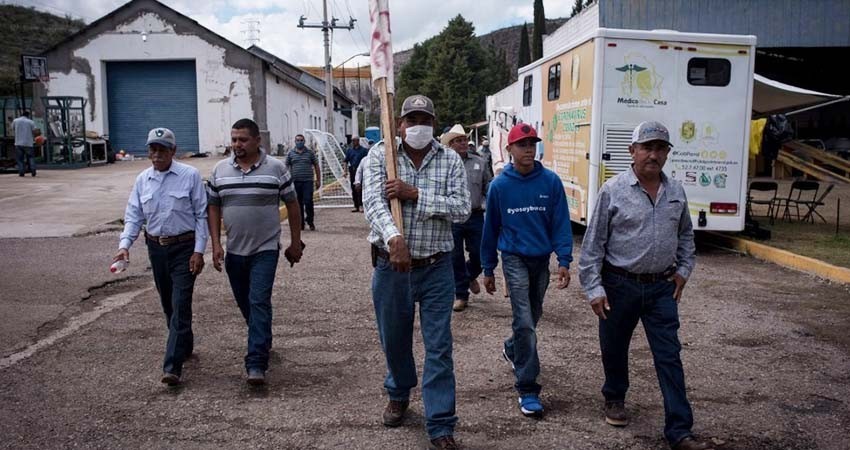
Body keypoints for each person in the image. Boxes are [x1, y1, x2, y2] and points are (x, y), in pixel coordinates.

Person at [578, 121, 708, 450]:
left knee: (669, 355)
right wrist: (594, 288)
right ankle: (614, 397)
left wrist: (684, 270)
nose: (653, 154)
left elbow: (685, 236)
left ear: (667, 153)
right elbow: (593, 245)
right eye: (647, 148)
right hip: (619, 284)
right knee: (614, 346)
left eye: (660, 148)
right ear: (632, 151)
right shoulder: (613, 190)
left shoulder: (676, 191)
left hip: (662, 287)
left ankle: (679, 430)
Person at [363, 94, 470, 450]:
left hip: (437, 266)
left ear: (434, 125)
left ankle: (440, 423)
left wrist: (416, 194)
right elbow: (373, 202)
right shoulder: (382, 156)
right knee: (394, 339)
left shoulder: (450, 159)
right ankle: (399, 391)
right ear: (400, 124)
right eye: (412, 120)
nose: (418, 127)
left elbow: (462, 209)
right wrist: (394, 237)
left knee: (439, 346)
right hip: (391, 265)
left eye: (425, 120)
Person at [480, 123, 572, 419]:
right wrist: (488, 268)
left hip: (540, 259)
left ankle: (512, 348)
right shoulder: (499, 186)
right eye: (522, 144)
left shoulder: (550, 182)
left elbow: (560, 222)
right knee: (524, 320)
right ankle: (528, 387)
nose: (529, 149)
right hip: (514, 258)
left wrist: (564, 260)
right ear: (509, 149)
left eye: (532, 143)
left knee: (533, 315)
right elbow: (490, 229)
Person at [207, 118, 303, 386]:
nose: (237, 144)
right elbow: (213, 207)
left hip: (266, 249)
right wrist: (216, 244)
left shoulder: (276, 168)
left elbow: (293, 205)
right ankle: (262, 336)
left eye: (243, 139)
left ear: (257, 141)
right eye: (234, 139)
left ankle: (256, 363)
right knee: (246, 303)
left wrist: (296, 242)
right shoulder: (219, 170)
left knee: (259, 300)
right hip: (235, 251)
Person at [113, 127, 208, 386]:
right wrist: (124, 245)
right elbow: (134, 215)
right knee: (168, 303)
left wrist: (199, 250)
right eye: (153, 150)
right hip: (156, 249)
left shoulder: (190, 175)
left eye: (162, 150)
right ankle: (183, 344)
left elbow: (201, 215)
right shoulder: (143, 179)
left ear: (173, 151)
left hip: (184, 248)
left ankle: (172, 367)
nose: (157, 155)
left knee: (180, 302)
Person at [440, 124, 492, 312]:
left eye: (464, 140)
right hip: (453, 217)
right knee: (455, 257)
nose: (463, 143)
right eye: (458, 141)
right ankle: (461, 294)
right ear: (451, 144)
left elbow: (488, 186)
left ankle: (469, 276)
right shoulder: (444, 164)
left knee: (480, 254)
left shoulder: (480, 162)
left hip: (475, 215)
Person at [285, 134, 321, 230]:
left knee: (308, 201)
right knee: (298, 203)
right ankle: (301, 223)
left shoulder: (310, 153)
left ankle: (310, 220)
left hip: (307, 182)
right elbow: (286, 167)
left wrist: (318, 180)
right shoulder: (290, 153)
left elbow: (316, 166)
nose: (299, 142)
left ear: (304, 142)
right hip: (295, 182)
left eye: (301, 140)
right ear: (295, 142)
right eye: (297, 140)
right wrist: (286, 180)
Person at [344, 135, 370, 212]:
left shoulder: (364, 150)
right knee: (354, 188)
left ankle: (361, 205)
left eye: (354, 140)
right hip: (353, 170)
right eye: (352, 141)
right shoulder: (349, 150)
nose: (353, 142)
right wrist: (345, 171)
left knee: (361, 188)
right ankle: (356, 205)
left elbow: (367, 160)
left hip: (362, 171)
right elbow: (345, 161)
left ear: (358, 141)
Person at [12, 111, 37, 177]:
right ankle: (33, 170)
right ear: (28, 115)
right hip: (28, 143)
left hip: (18, 143)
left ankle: (21, 172)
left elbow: (13, 128)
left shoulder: (15, 121)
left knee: (20, 159)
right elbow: (35, 131)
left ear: (21, 115)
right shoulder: (31, 122)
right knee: (31, 157)